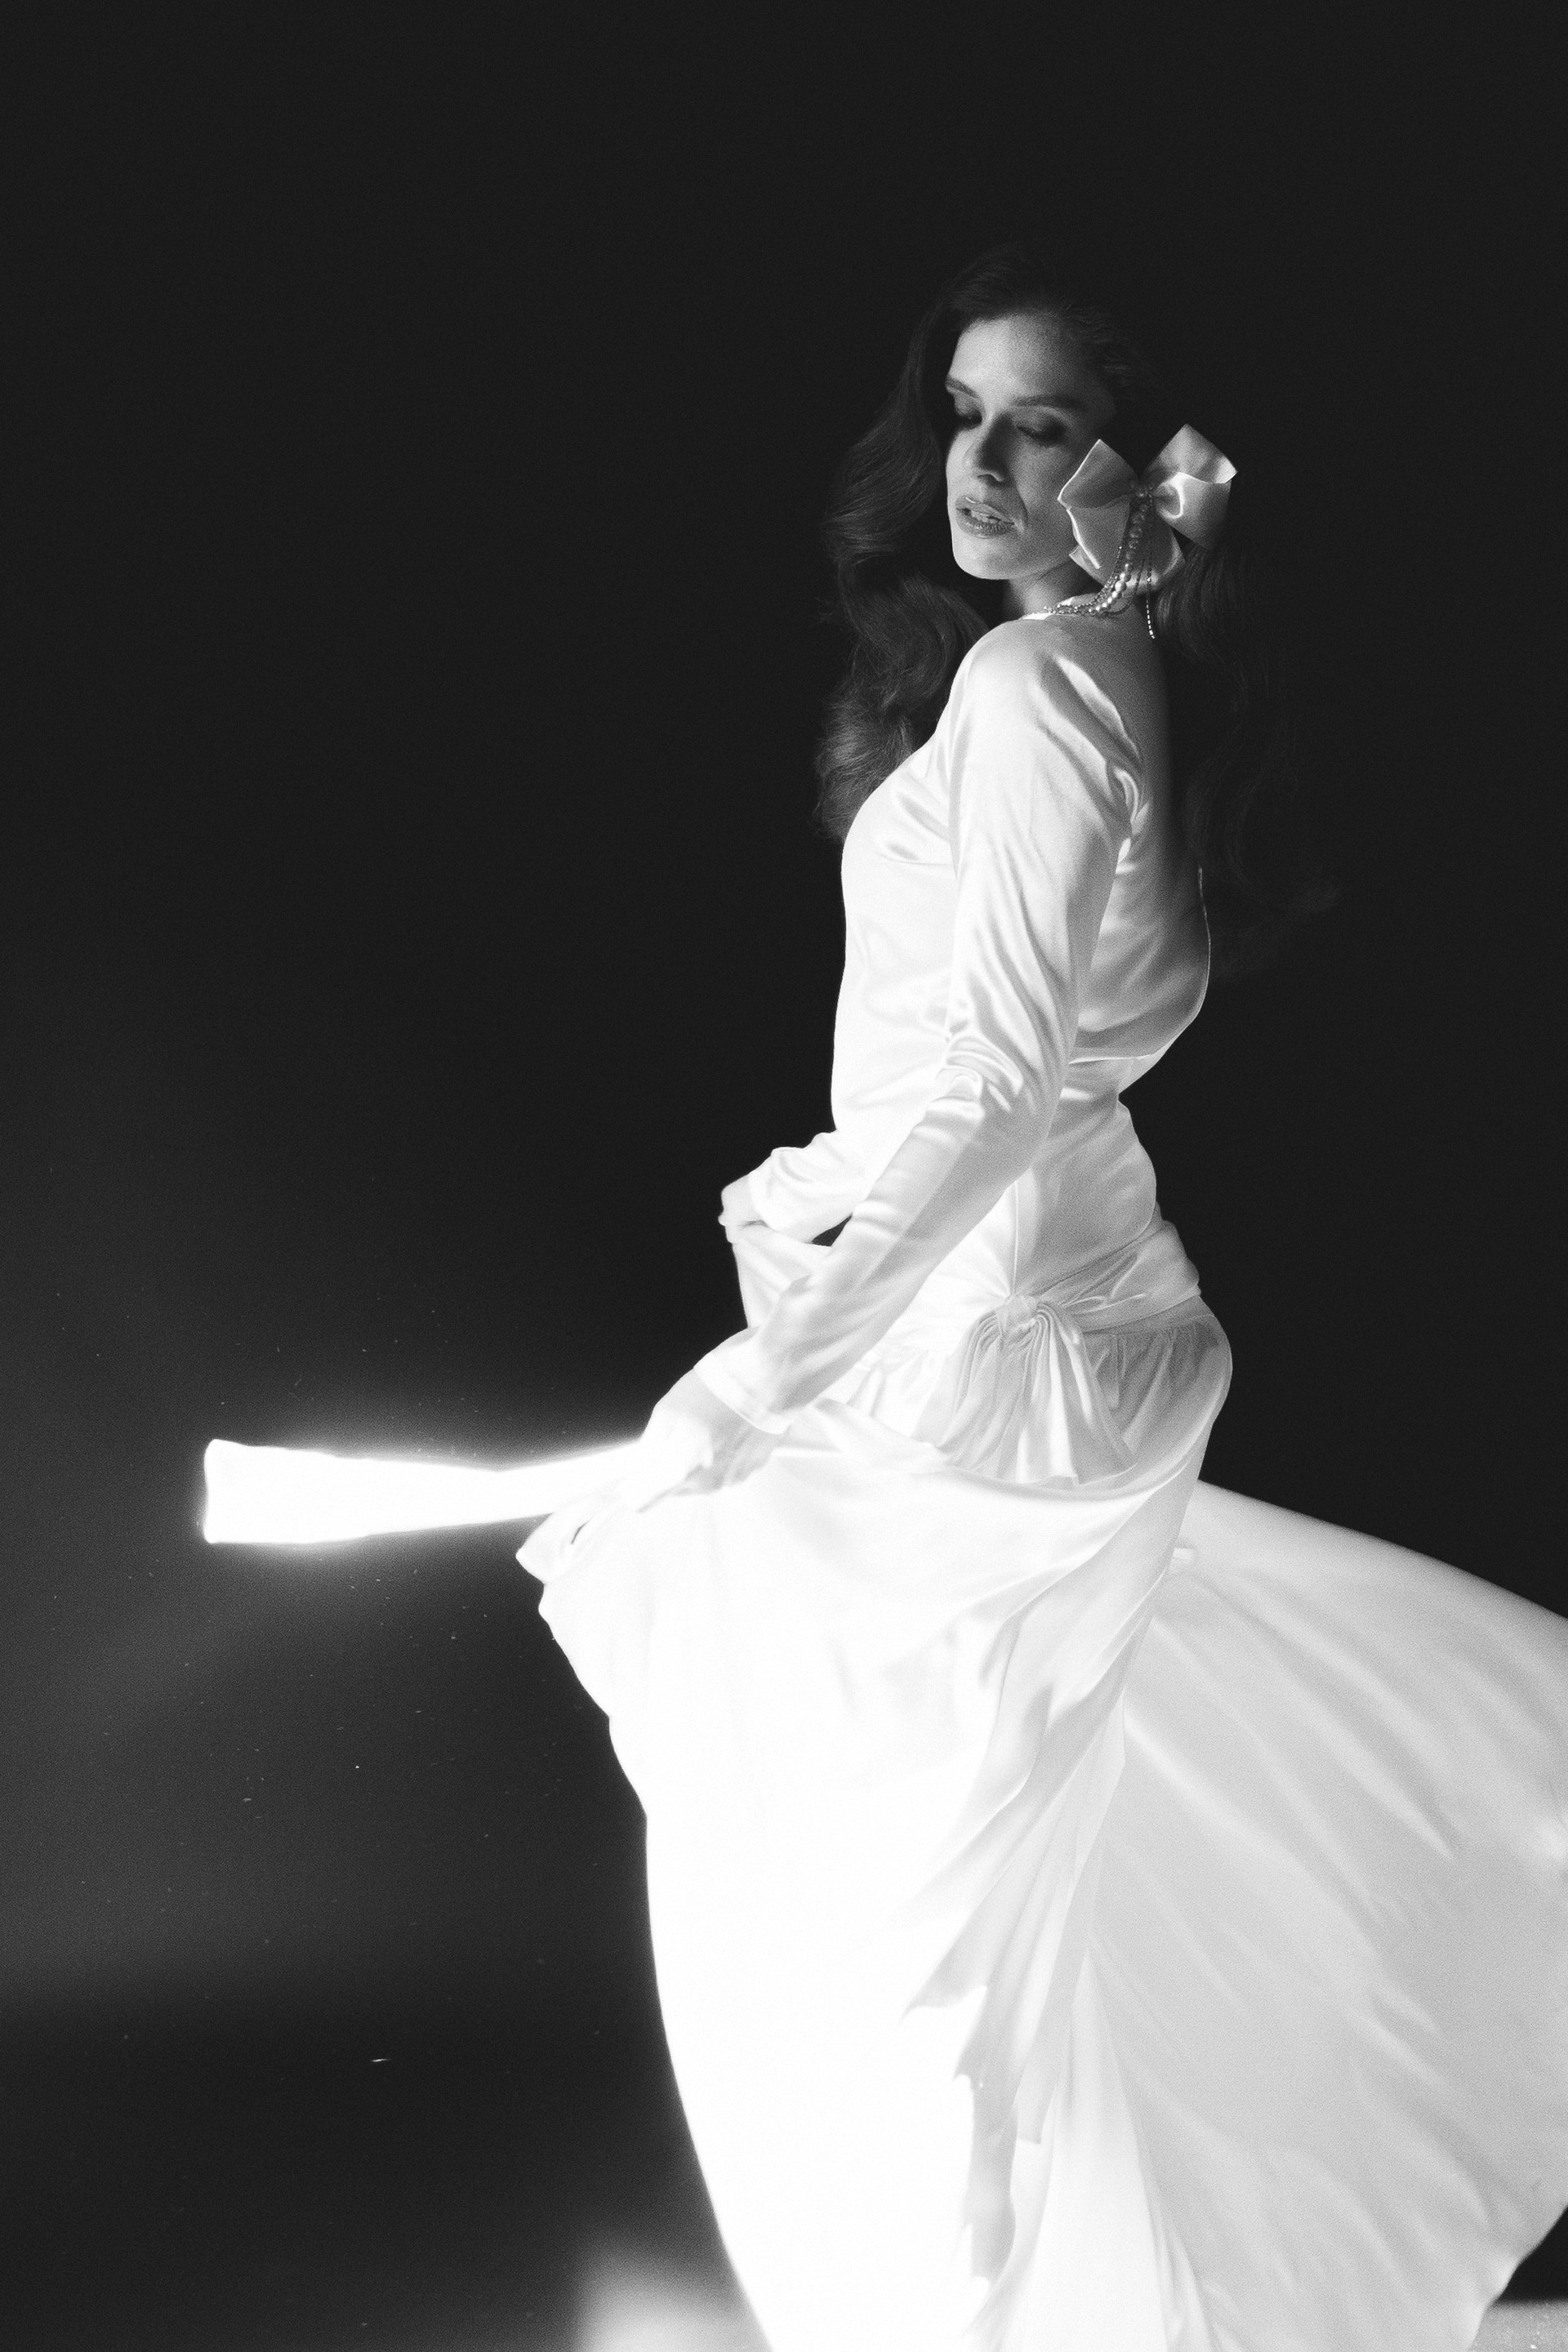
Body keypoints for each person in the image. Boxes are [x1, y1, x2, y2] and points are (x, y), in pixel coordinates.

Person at [519, 245, 1568, 2352]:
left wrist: (777, 1371)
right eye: (963, 413)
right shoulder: (1114, 671)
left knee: (887, 1903)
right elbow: (1053, 1055)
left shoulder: (1036, 688)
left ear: (1125, 467)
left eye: (1046, 423)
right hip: (1051, 1317)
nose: (980, 461)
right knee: (976, 1882)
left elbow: (1002, 1084)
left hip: (1003, 1347)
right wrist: (828, 1193)